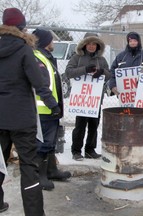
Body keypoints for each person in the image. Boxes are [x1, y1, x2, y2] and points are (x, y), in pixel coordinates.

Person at [0, 8, 45, 215]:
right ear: (21, 26)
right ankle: (34, 212)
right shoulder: (25, 49)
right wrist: (53, 105)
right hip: (21, 117)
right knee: (28, 166)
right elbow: (38, 82)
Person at [32, 28, 71, 191]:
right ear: (45, 42)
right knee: (43, 144)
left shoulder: (46, 57)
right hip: (44, 110)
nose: (53, 43)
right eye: (51, 40)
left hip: (50, 109)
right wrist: (52, 104)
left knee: (51, 143)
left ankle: (51, 170)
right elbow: (41, 86)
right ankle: (40, 177)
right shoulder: (38, 58)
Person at [65, 33, 111, 161]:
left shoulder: (101, 60)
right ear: (84, 45)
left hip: (95, 99)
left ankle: (90, 149)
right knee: (80, 126)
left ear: (98, 46)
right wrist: (85, 69)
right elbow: (68, 72)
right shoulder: (77, 58)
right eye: (89, 43)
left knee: (93, 125)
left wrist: (102, 72)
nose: (91, 46)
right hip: (82, 99)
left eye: (94, 44)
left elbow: (109, 74)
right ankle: (76, 150)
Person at [109, 31, 143, 96]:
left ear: (138, 41)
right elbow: (112, 72)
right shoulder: (121, 56)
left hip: (142, 93)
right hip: (125, 95)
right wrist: (113, 86)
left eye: (135, 41)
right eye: (130, 41)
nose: (132, 43)